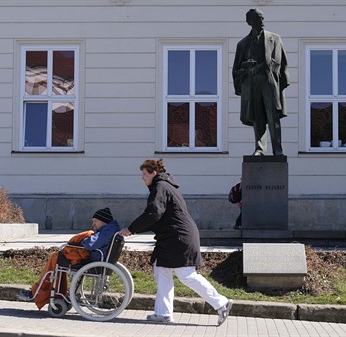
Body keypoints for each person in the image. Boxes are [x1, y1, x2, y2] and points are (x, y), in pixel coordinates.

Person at [119, 159, 233, 326]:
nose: (142, 178)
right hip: (172, 238)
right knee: (161, 269)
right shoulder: (165, 186)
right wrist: (135, 228)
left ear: (153, 173)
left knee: (186, 275)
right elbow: (157, 217)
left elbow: (153, 213)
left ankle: (221, 303)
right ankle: (163, 313)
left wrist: (131, 229)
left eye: (144, 174)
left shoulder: (160, 187)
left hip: (179, 238)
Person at [17, 207, 120, 309]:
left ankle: (38, 292)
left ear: (103, 221)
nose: (93, 224)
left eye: (95, 221)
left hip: (91, 262)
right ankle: (48, 292)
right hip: (96, 260)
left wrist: (83, 240)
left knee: (55, 257)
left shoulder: (107, 232)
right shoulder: (111, 230)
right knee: (57, 257)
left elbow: (90, 243)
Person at [232, 8, 290, 156]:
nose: (262, 21)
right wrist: (246, 69)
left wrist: (256, 68)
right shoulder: (242, 44)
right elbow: (236, 70)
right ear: (249, 21)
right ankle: (260, 148)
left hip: (268, 82)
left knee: (272, 116)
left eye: (262, 18)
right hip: (252, 85)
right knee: (257, 116)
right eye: (258, 18)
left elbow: (277, 62)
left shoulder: (275, 38)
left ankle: (277, 149)